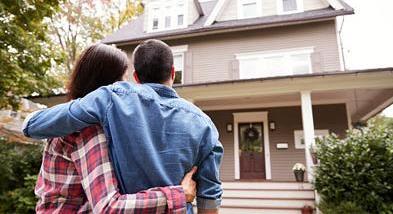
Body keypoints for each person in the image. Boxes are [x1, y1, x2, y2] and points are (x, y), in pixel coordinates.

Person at [23, 39, 223, 214]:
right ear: (173, 72)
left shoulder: (111, 101)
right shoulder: (204, 124)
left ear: (136, 77)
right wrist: (180, 195)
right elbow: (209, 194)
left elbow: (33, 126)